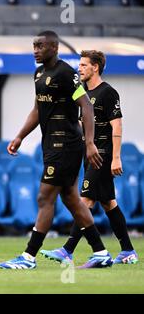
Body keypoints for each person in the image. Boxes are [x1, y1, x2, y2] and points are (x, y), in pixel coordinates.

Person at [0, 31, 113, 269]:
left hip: (66, 145)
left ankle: (29, 257)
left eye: (40, 46)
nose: (35, 50)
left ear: (54, 48)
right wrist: (20, 136)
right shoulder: (39, 73)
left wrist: (90, 143)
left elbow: (87, 108)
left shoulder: (66, 73)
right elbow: (38, 109)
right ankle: (101, 253)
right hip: (50, 144)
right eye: (34, 46)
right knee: (71, 198)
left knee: (45, 196)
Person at [40, 50, 138, 265]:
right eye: (79, 65)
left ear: (95, 67)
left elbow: (117, 125)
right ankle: (128, 250)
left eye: (84, 65)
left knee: (85, 200)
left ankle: (67, 250)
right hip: (88, 155)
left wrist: (116, 158)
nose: (79, 68)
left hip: (102, 157)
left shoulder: (108, 93)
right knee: (108, 203)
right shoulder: (82, 93)